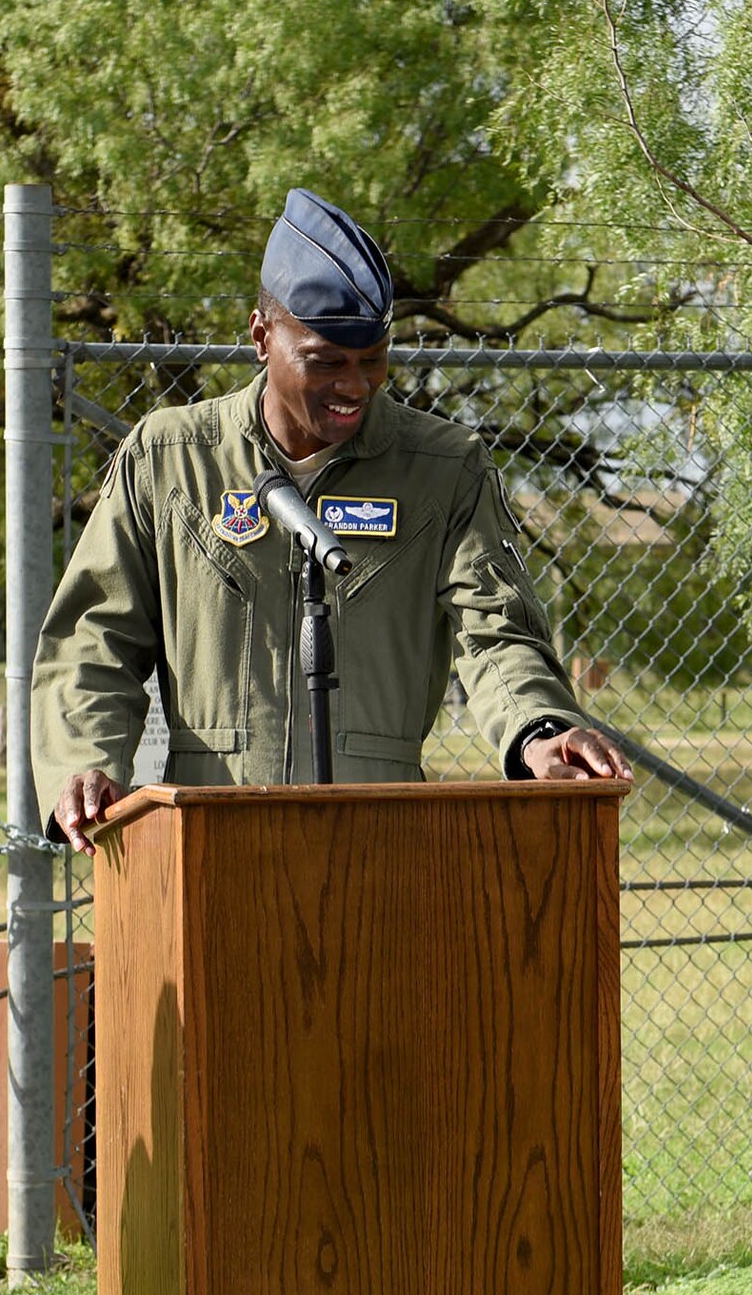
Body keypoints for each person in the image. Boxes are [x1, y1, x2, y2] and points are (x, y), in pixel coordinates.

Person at [33, 187, 631, 855]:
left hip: (382, 851)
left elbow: (496, 634)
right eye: (326, 362)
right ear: (262, 337)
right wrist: (84, 759)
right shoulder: (169, 459)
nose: (355, 386)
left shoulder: (443, 470)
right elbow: (93, 639)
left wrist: (539, 730)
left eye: (372, 359)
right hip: (208, 846)